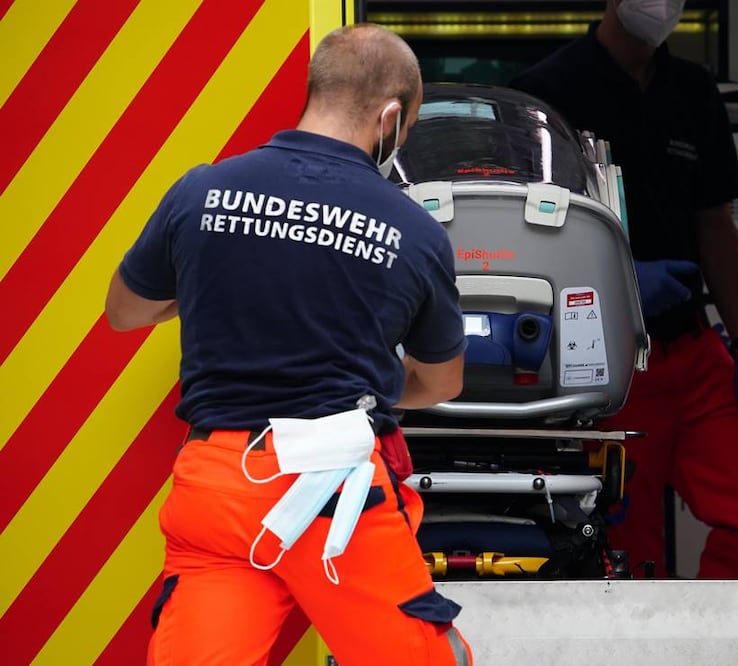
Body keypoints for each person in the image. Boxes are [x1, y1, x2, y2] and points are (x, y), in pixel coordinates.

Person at [106, 25, 472, 665]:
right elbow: (442, 381)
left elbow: (124, 311)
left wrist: (205, 288)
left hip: (215, 487)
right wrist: (382, 389)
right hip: (333, 495)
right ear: (392, 115)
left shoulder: (201, 191)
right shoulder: (414, 231)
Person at [511, 0, 738, 579]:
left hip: (692, 354)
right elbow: (523, 235)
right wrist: (621, 281)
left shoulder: (692, 91)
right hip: (601, 361)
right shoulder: (546, 92)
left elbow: (715, 225)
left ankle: (718, 644)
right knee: (622, 548)